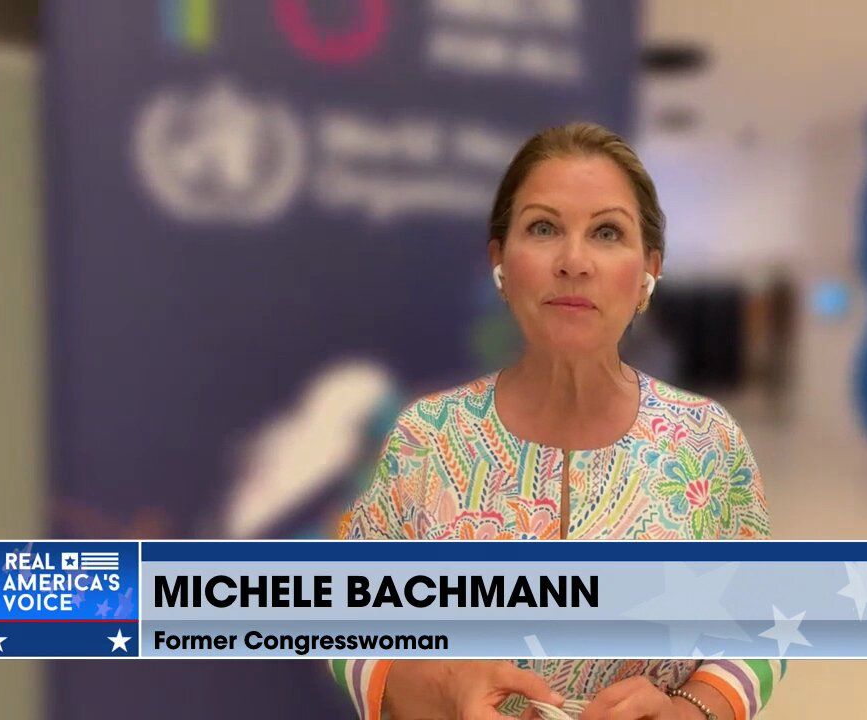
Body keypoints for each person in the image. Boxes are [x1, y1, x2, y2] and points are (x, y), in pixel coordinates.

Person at [330, 123, 781, 720]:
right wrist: (440, 690)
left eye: (607, 232)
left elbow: (763, 621)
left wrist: (692, 711)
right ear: (500, 261)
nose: (573, 262)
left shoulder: (708, 441)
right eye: (543, 228)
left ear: (648, 271)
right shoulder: (427, 438)